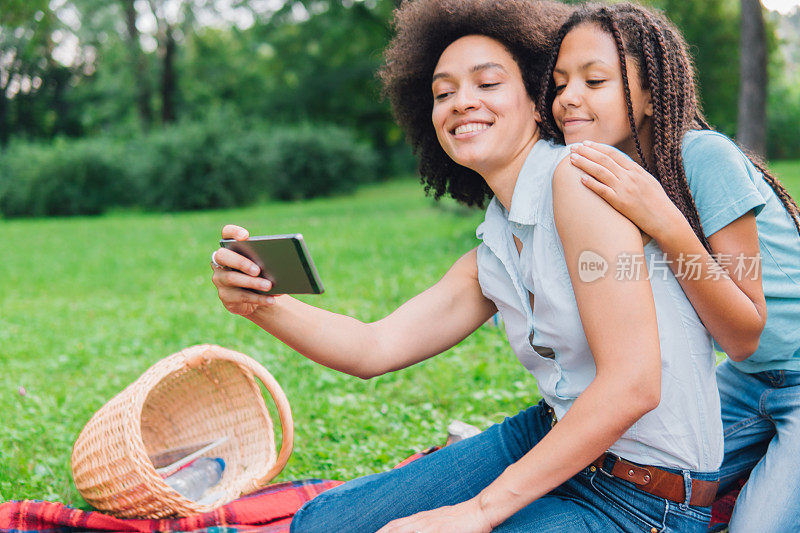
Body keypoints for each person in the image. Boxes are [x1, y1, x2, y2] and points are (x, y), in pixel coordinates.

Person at [211, 1, 722, 531]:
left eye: (487, 84)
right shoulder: (496, 242)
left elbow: (635, 384)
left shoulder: (577, 178)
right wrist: (261, 304)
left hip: (645, 496)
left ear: (538, 102)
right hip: (554, 439)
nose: (461, 103)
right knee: (322, 522)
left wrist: (476, 512)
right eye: (443, 92)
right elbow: (375, 347)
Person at [538, 3, 800, 531]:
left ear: (653, 94)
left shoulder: (704, 158)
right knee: (627, 475)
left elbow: (745, 332)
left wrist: (663, 219)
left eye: (595, 80)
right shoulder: (613, 174)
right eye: (560, 82)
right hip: (746, 382)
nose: (568, 97)